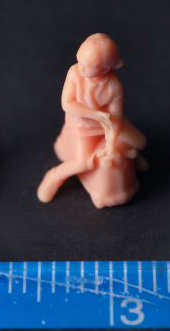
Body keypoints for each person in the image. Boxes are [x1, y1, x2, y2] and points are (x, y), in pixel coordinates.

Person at [37, 33, 146, 205]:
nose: (81, 68)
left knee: (140, 141)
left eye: (88, 66)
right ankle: (53, 177)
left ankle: (131, 157)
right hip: (83, 128)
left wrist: (110, 143)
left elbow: (116, 117)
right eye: (80, 62)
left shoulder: (113, 85)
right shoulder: (74, 73)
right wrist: (95, 115)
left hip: (108, 124)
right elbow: (67, 104)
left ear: (105, 68)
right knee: (82, 163)